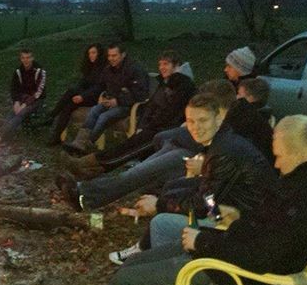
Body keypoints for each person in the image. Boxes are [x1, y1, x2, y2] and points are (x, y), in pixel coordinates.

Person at [46, 115, 307, 285]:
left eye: (279, 156)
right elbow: (267, 233)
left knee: (126, 279)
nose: (277, 164)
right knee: (134, 263)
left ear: (298, 152)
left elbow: (261, 256)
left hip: (239, 280)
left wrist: (203, 240)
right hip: (231, 257)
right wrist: (238, 218)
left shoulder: (304, 198)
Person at [108, 91, 277, 264]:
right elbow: (209, 193)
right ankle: (145, 247)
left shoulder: (223, 151)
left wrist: (158, 204)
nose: (196, 127)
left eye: (203, 120)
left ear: (218, 119)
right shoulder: (223, 140)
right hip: (231, 203)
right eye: (190, 121)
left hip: (240, 222)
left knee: (161, 221)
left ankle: (168, 266)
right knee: (174, 186)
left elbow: (205, 203)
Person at [55, 80, 237, 212]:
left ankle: (84, 195)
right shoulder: (217, 118)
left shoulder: (227, 123)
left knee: (135, 174)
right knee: (136, 171)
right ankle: (84, 191)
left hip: (191, 158)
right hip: (181, 148)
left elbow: (201, 143)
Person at [61, 50, 195, 177]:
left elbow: (172, 113)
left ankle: (86, 164)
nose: (161, 67)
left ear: (177, 66)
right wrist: (141, 126)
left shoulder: (183, 84)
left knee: (129, 149)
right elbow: (150, 106)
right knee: (126, 147)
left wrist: (151, 125)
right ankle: (89, 167)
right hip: (153, 126)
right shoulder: (165, 82)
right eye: (160, 64)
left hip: (166, 130)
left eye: (166, 64)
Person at [64, 44, 149, 155]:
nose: (111, 59)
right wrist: (86, 96)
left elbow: (140, 94)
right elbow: (100, 86)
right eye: (109, 56)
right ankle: (79, 142)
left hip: (129, 106)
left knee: (104, 116)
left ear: (123, 55)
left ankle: (87, 144)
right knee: (95, 110)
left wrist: (118, 100)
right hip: (111, 101)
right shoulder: (109, 69)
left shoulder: (135, 69)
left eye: (114, 55)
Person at [40, 43, 106, 146]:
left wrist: (82, 96)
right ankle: (56, 137)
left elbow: (98, 88)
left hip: (97, 98)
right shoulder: (90, 67)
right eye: (89, 53)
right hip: (86, 95)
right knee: (68, 106)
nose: (91, 55)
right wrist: (79, 93)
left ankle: (51, 116)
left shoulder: (104, 68)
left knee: (71, 91)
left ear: (100, 54)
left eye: (94, 53)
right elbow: (83, 82)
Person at [0, 49, 47, 141]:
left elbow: (38, 92)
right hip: (23, 98)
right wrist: (16, 102)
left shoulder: (40, 71)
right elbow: (14, 88)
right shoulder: (18, 71)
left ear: (32, 58)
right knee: (13, 112)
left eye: (28, 58)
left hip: (37, 100)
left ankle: (1, 134)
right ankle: (4, 131)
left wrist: (25, 104)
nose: (26, 60)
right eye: (23, 58)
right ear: (20, 59)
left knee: (21, 112)